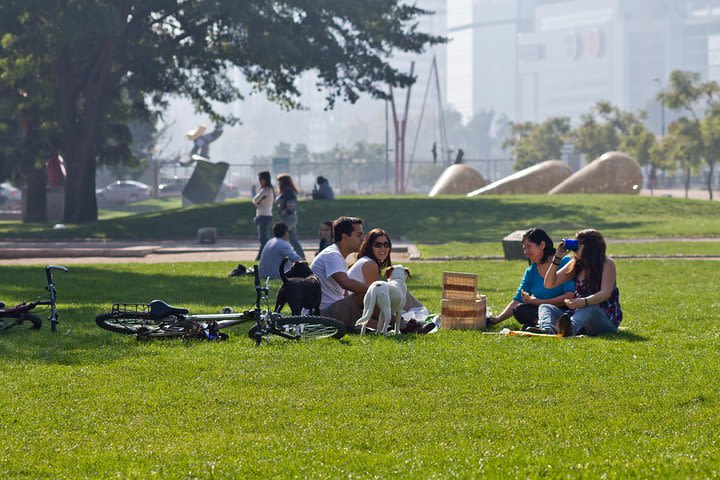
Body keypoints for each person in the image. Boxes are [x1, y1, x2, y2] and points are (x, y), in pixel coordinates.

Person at [535, 229, 623, 337]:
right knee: (546, 307)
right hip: (578, 315)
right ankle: (547, 330)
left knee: (590, 307)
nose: (575, 246)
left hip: (604, 320)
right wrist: (557, 258)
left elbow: (606, 293)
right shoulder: (575, 264)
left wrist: (584, 301)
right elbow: (548, 284)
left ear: (590, 247)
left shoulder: (607, 264)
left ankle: (570, 330)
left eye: (579, 243)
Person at [487, 228, 575, 328]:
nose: (525, 252)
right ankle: (542, 323)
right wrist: (498, 319)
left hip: (563, 311)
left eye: (528, 247)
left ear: (542, 245)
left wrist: (540, 302)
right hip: (539, 311)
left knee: (546, 311)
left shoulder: (564, 262)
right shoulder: (531, 271)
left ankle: (547, 324)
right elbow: (517, 300)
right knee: (519, 309)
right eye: (524, 248)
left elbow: (569, 296)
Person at [310, 216, 368, 329]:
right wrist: (372, 289)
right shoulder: (332, 255)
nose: (363, 240)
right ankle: (399, 323)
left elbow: (344, 292)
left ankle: (397, 322)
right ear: (345, 237)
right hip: (322, 316)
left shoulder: (337, 255)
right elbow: (344, 282)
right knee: (365, 295)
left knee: (369, 295)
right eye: (359, 235)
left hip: (330, 312)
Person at [276, 174, 305, 259]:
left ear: (283, 182)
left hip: (288, 218)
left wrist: (282, 213)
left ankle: (280, 257)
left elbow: (290, 208)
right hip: (291, 218)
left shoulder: (288, 192)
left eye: (279, 182)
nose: (278, 184)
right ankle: (302, 258)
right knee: (293, 240)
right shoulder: (288, 192)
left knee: (280, 237)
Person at [252, 171, 275, 260]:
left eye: (261, 179)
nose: (260, 181)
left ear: (266, 179)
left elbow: (254, 200)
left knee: (263, 239)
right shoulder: (269, 189)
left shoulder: (266, 189)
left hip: (263, 216)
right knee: (263, 238)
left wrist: (258, 202)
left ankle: (261, 257)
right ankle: (264, 256)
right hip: (266, 215)